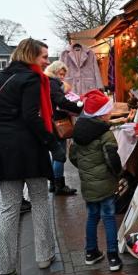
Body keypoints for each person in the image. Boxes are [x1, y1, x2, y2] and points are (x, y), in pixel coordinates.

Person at [0, 38, 66, 275]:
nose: (47, 61)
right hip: (29, 148)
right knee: (40, 200)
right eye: (44, 56)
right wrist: (52, 144)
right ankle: (44, 255)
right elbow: (32, 117)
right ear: (31, 56)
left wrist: (3, 140)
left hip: (3, 149)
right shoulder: (32, 79)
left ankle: (0, 268)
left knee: (9, 207)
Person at [69, 90, 123, 272]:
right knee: (108, 217)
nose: (110, 114)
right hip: (106, 183)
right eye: (108, 111)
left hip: (88, 184)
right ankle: (113, 257)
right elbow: (112, 159)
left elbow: (73, 156)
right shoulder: (105, 134)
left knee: (92, 216)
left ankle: (91, 253)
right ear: (101, 114)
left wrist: (86, 171)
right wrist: (118, 174)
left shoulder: (78, 132)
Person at [45, 61, 83, 195]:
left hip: (51, 121)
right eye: (60, 74)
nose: (62, 77)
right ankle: (59, 185)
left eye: (63, 74)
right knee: (60, 154)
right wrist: (78, 107)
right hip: (58, 122)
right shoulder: (53, 83)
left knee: (55, 154)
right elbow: (60, 101)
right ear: (54, 72)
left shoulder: (48, 82)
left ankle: (53, 184)